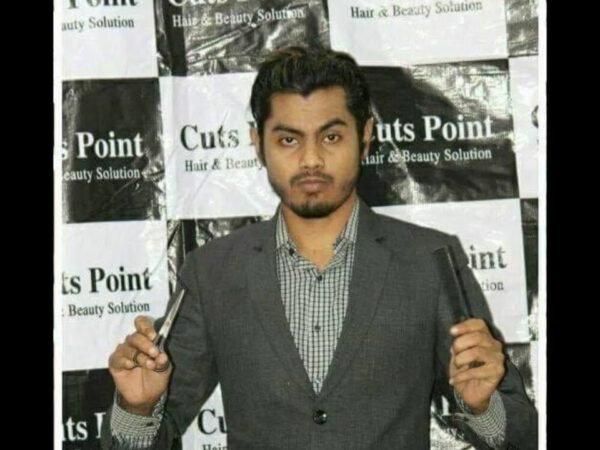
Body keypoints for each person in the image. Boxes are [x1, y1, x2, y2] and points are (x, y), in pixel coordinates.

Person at [101, 46, 537, 450]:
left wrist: (483, 406)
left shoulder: (429, 260)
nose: (311, 160)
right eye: (288, 140)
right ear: (258, 143)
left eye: (330, 137)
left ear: (365, 135)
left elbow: (520, 434)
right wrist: (138, 409)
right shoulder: (213, 271)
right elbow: (150, 434)